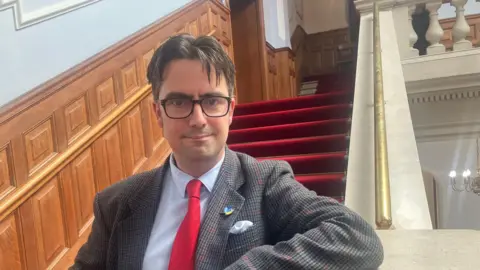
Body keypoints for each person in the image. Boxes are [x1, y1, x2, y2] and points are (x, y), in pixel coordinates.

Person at [71, 34, 384, 270]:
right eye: (179, 102)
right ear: (158, 112)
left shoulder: (265, 182)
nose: (198, 119)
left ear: (231, 110)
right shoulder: (116, 203)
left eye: (212, 101)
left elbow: (356, 237)